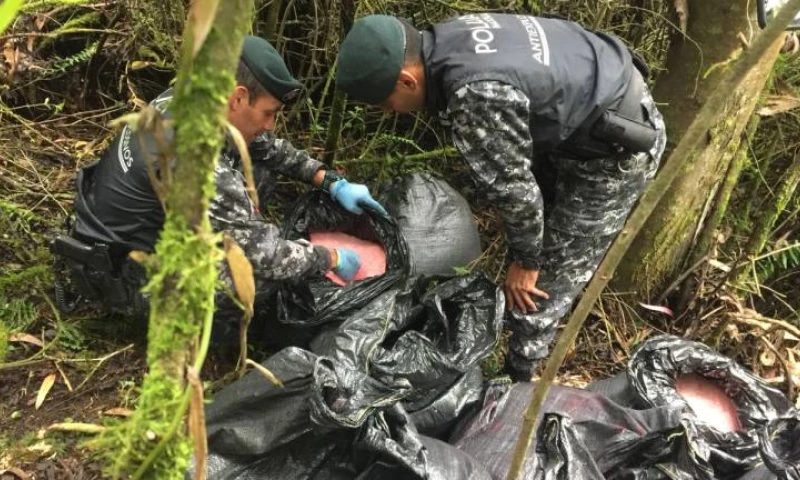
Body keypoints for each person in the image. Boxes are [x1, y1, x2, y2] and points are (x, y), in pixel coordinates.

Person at [334, 13, 667, 380]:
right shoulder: (448, 38)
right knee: (538, 234)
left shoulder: (474, 94)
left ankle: (518, 380)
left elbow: (515, 192)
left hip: (616, 150)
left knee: (541, 287)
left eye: (384, 103)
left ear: (406, 80)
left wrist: (527, 262)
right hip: (589, 107)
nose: (387, 112)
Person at [55, 35, 387, 334]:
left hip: (125, 235)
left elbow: (267, 148)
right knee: (256, 280)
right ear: (238, 98)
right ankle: (197, 333)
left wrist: (330, 182)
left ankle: (238, 226)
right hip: (126, 278)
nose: (271, 124)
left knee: (258, 162)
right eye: (268, 112)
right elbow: (269, 259)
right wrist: (331, 257)